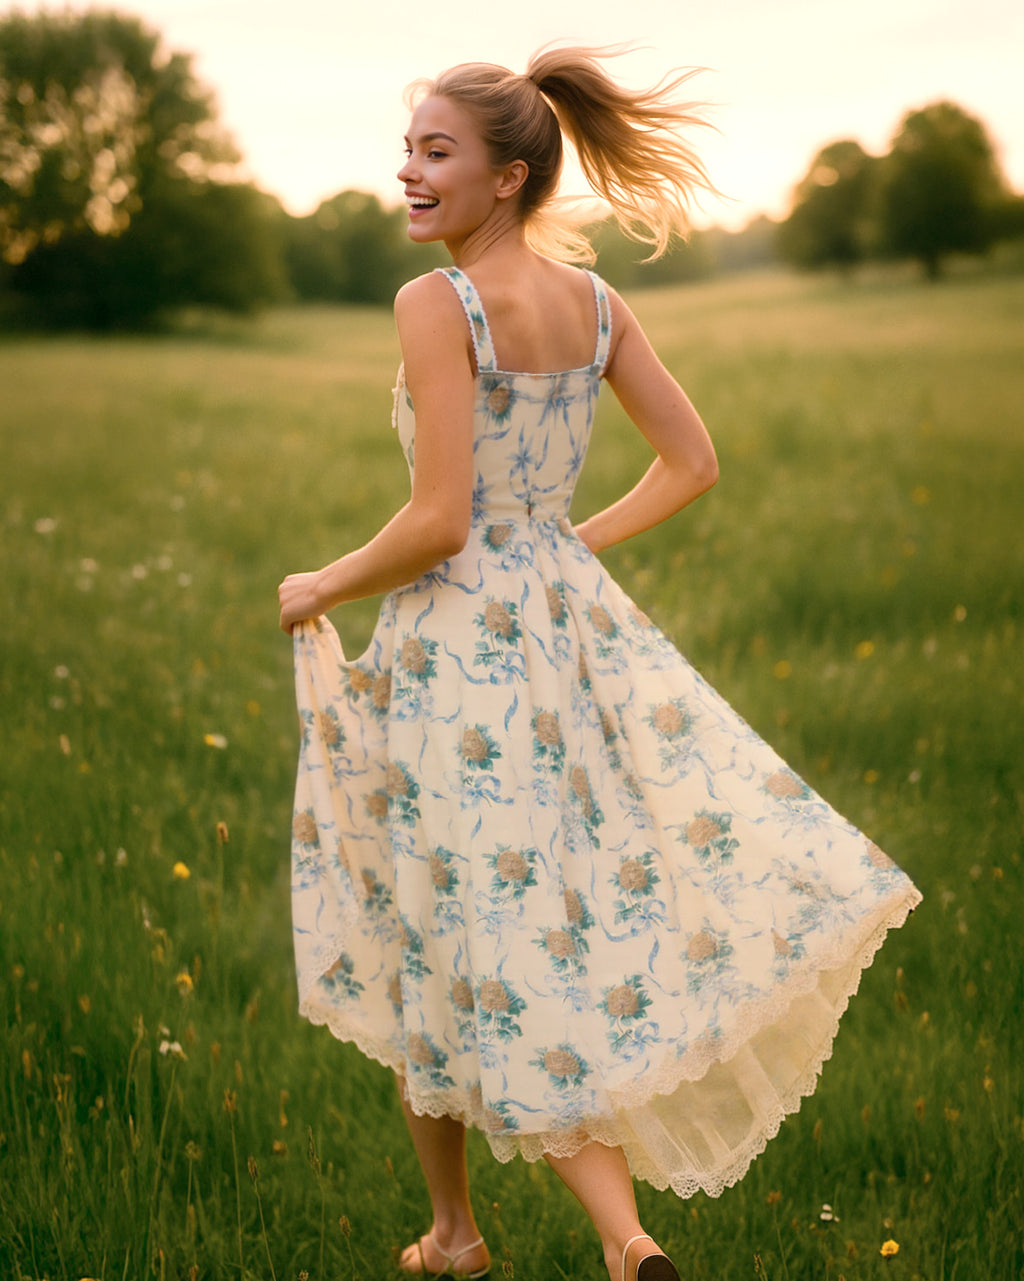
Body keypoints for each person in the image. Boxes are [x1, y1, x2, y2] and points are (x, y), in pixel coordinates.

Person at [278, 46, 921, 1281]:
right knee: (542, 919)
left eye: (435, 151)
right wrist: (568, 544)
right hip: (566, 633)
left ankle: (486, 1233)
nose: (408, 171)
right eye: (408, 148)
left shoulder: (439, 305)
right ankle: (582, 1238)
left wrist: (320, 583)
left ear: (507, 174)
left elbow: (439, 519)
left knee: (446, 926)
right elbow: (692, 464)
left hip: (457, 652)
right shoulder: (599, 305)